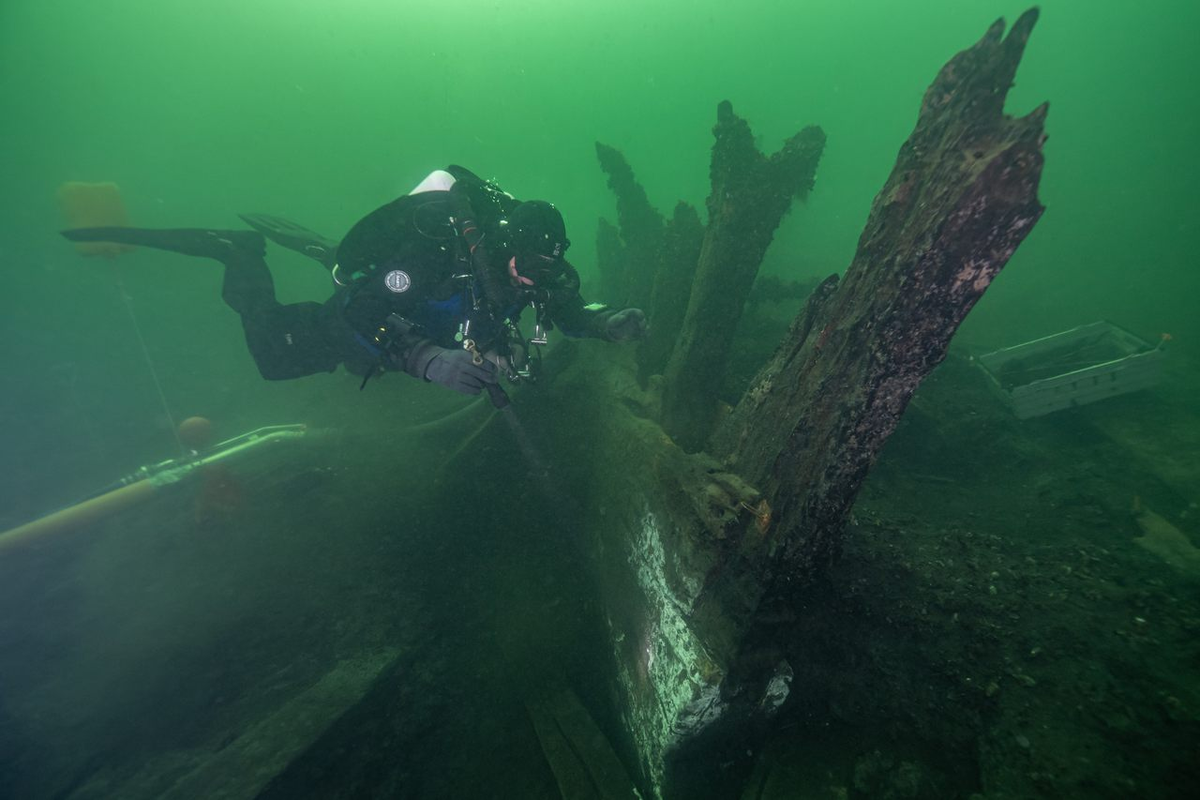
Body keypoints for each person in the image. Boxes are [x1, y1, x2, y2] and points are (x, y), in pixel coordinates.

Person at [62, 166, 647, 400]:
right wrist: (427, 361)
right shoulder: (438, 255)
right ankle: (236, 253)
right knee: (273, 357)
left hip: (420, 309)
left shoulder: (535, 268)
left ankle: (329, 254)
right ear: (500, 245)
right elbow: (358, 315)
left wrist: (603, 321)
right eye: (526, 265)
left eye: (545, 269)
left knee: (386, 290)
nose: (531, 280)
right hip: (377, 314)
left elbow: (565, 306)